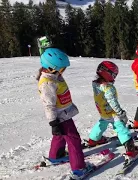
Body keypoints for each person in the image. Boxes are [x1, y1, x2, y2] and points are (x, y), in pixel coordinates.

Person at [36, 48, 93, 179]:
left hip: (63, 113)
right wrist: (53, 123)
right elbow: (48, 105)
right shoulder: (47, 83)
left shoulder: (54, 76)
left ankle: (55, 156)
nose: (63, 71)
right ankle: (79, 168)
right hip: (61, 116)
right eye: (62, 68)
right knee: (74, 139)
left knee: (59, 136)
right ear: (52, 68)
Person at [87, 61, 138, 163]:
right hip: (112, 112)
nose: (114, 78)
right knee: (121, 128)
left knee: (102, 123)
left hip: (103, 111)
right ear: (106, 73)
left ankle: (93, 139)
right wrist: (120, 113)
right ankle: (131, 150)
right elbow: (113, 102)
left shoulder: (96, 84)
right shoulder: (108, 88)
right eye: (113, 75)